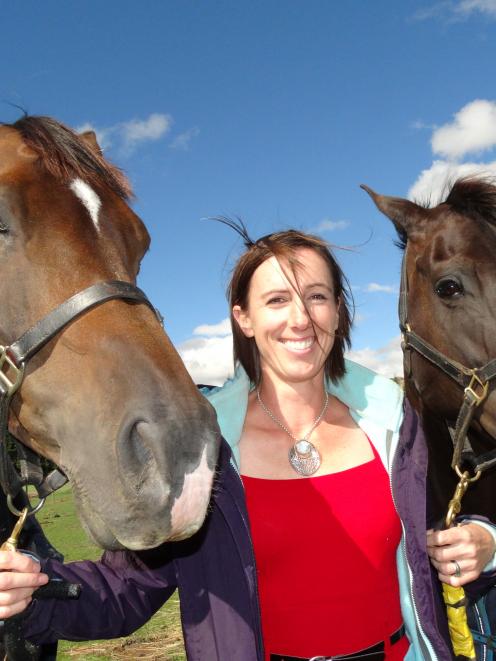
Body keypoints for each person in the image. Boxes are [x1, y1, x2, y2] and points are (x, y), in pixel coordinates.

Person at [0, 227, 495, 661]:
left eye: (317, 296)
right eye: (277, 300)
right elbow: (128, 586)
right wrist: (34, 591)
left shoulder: (395, 425)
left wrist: (484, 541)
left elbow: (449, 520)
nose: (300, 319)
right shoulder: (208, 449)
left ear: (339, 312)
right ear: (244, 319)